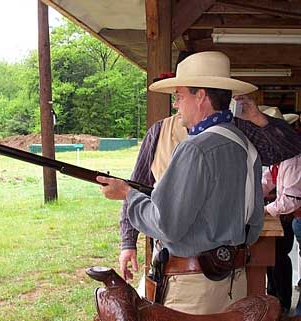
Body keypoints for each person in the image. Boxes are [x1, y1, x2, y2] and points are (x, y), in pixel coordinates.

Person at [97, 51, 264, 314]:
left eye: (180, 96)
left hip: (193, 289)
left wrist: (128, 195)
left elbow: (166, 225)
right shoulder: (246, 147)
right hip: (235, 280)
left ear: (200, 96)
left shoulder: (195, 149)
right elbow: (253, 227)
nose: (176, 104)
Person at [261, 108, 301, 314]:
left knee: (278, 257)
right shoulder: (279, 157)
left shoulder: (293, 157)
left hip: (296, 214)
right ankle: (276, 300)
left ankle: (284, 305)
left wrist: (263, 210)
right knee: (273, 257)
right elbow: (267, 180)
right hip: (293, 215)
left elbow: (291, 200)